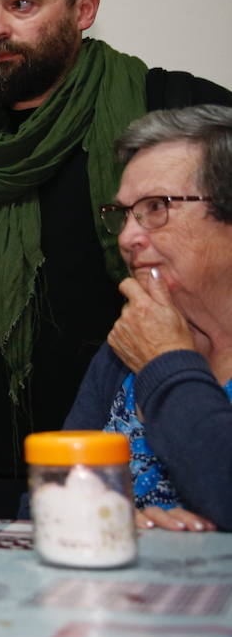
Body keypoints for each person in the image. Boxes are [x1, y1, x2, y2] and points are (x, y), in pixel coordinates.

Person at [0, 0, 232, 519]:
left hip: (159, 431)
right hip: (7, 455)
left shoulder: (168, 110)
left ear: (83, 10)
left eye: (21, 4)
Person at [66, 106, 232, 533]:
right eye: (124, 214)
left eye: (157, 207)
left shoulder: (148, 343)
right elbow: (50, 497)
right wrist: (117, 525)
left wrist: (165, 360)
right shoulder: (129, 341)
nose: (126, 238)